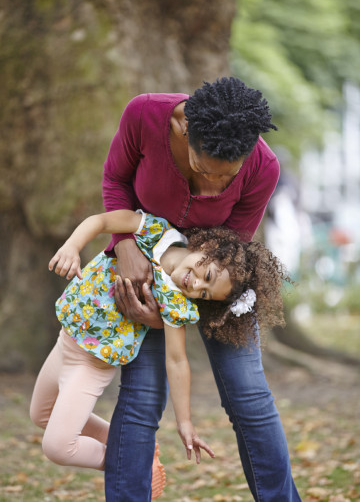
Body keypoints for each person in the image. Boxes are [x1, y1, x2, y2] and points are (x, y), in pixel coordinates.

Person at [102, 77, 302, 501]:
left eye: (225, 179)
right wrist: (124, 248)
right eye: (203, 170)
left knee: (249, 397)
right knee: (142, 397)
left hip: (218, 277)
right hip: (146, 264)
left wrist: (177, 305)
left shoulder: (264, 168)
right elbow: (116, 180)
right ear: (184, 129)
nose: (212, 188)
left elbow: (230, 249)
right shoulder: (145, 115)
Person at [30, 207, 287, 500]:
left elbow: (177, 361)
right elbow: (100, 220)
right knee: (41, 415)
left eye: (205, 293)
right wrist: (72, 246)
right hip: (65, 341)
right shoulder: (153, 230)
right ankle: (135, 452)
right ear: (209, 248)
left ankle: (133, 464)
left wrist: (185, 422)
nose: (197, 285)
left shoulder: (177, 303)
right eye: (208, 275)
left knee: (58, 447)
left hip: (91, 363)